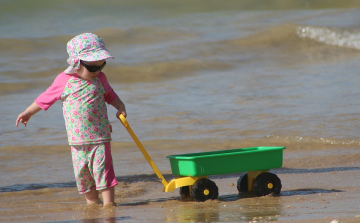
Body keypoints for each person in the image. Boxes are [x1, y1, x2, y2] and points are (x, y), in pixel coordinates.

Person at [15, 33, 126, 207]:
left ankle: (109, 205)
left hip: (100, 136)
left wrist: (120, 106)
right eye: (92, 67)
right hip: (77, 140)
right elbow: (46, 97)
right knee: (83, 174)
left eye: (101, 66)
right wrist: (28, 112)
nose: (97, 71)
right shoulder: (64, 80)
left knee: (103, 171)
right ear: (76, 62)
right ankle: (92, 203)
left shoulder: (100, 78)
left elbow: (110, 94)